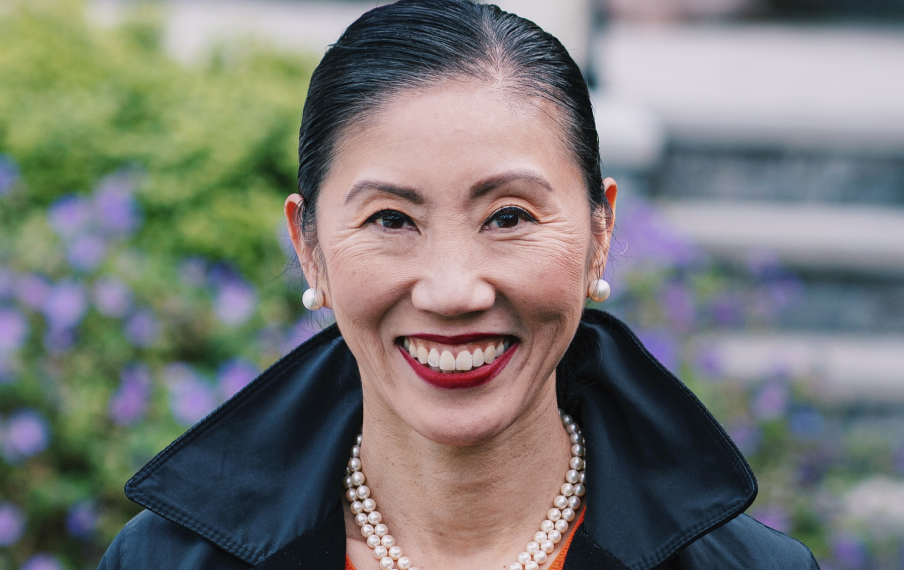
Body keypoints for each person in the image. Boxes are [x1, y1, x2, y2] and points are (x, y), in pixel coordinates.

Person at [98, 1, 820, 568]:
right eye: (390, 219)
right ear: (309, 248)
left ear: (601, 233)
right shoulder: (166, 560)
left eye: (508, 216)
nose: (452, 291)